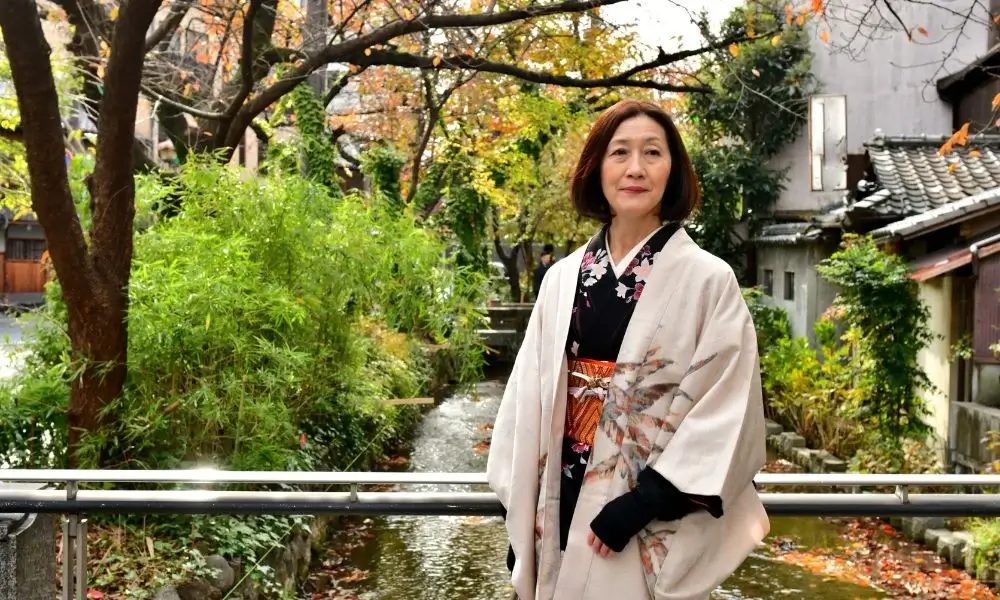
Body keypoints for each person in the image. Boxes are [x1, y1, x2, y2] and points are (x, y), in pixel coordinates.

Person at [486, 99, 768, 600]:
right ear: (597, 169)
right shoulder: (561, 278)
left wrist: (647, 502)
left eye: (653, 153)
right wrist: (523, 515)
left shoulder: (709, 280)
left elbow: (727, 403)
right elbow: (525, 399)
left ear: (674, 170)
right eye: (620, 153)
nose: (635, 168)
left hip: (645, 507)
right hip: (562, 491)